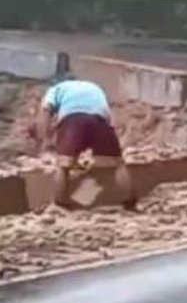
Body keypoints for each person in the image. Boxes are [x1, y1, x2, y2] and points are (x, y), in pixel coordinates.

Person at [32, 78, 136, 210]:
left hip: (73, 121)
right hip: (100, 121)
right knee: (117, 165)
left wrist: (46, 140)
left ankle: (60, 205)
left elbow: (45, 114)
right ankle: (129, 203)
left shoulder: (55, 89)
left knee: (63, 167)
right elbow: (107, 117)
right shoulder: (95, 87)